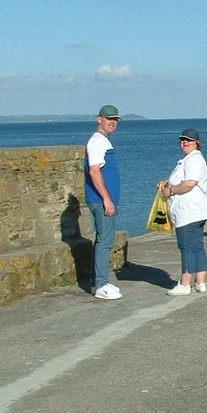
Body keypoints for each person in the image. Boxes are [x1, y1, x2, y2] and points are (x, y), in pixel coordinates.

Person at [159, 128, 207, 295]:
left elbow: (189, 183)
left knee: (187, 247)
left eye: (188, 140)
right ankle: (200, 282)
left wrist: (170, 190)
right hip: (194, 211)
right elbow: (185, 179)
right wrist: (167, 183)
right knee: (197, 246)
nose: (184, 142)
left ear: (196, 143)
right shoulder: (189, 159)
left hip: (189, 212)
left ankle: (184, 284)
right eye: (182, 140)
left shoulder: (194, 159)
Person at [84, 104, 123, 300]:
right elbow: (94, 171)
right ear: (99, 119)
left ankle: (98, 281)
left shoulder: (103, 141)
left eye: (115, 119)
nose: (112, 123)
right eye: (109, 119)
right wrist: (106, 198)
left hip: (104, 200)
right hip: (101, 201)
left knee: (104, 239)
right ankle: (100, 284)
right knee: (105, 240)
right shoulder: (97, 141)